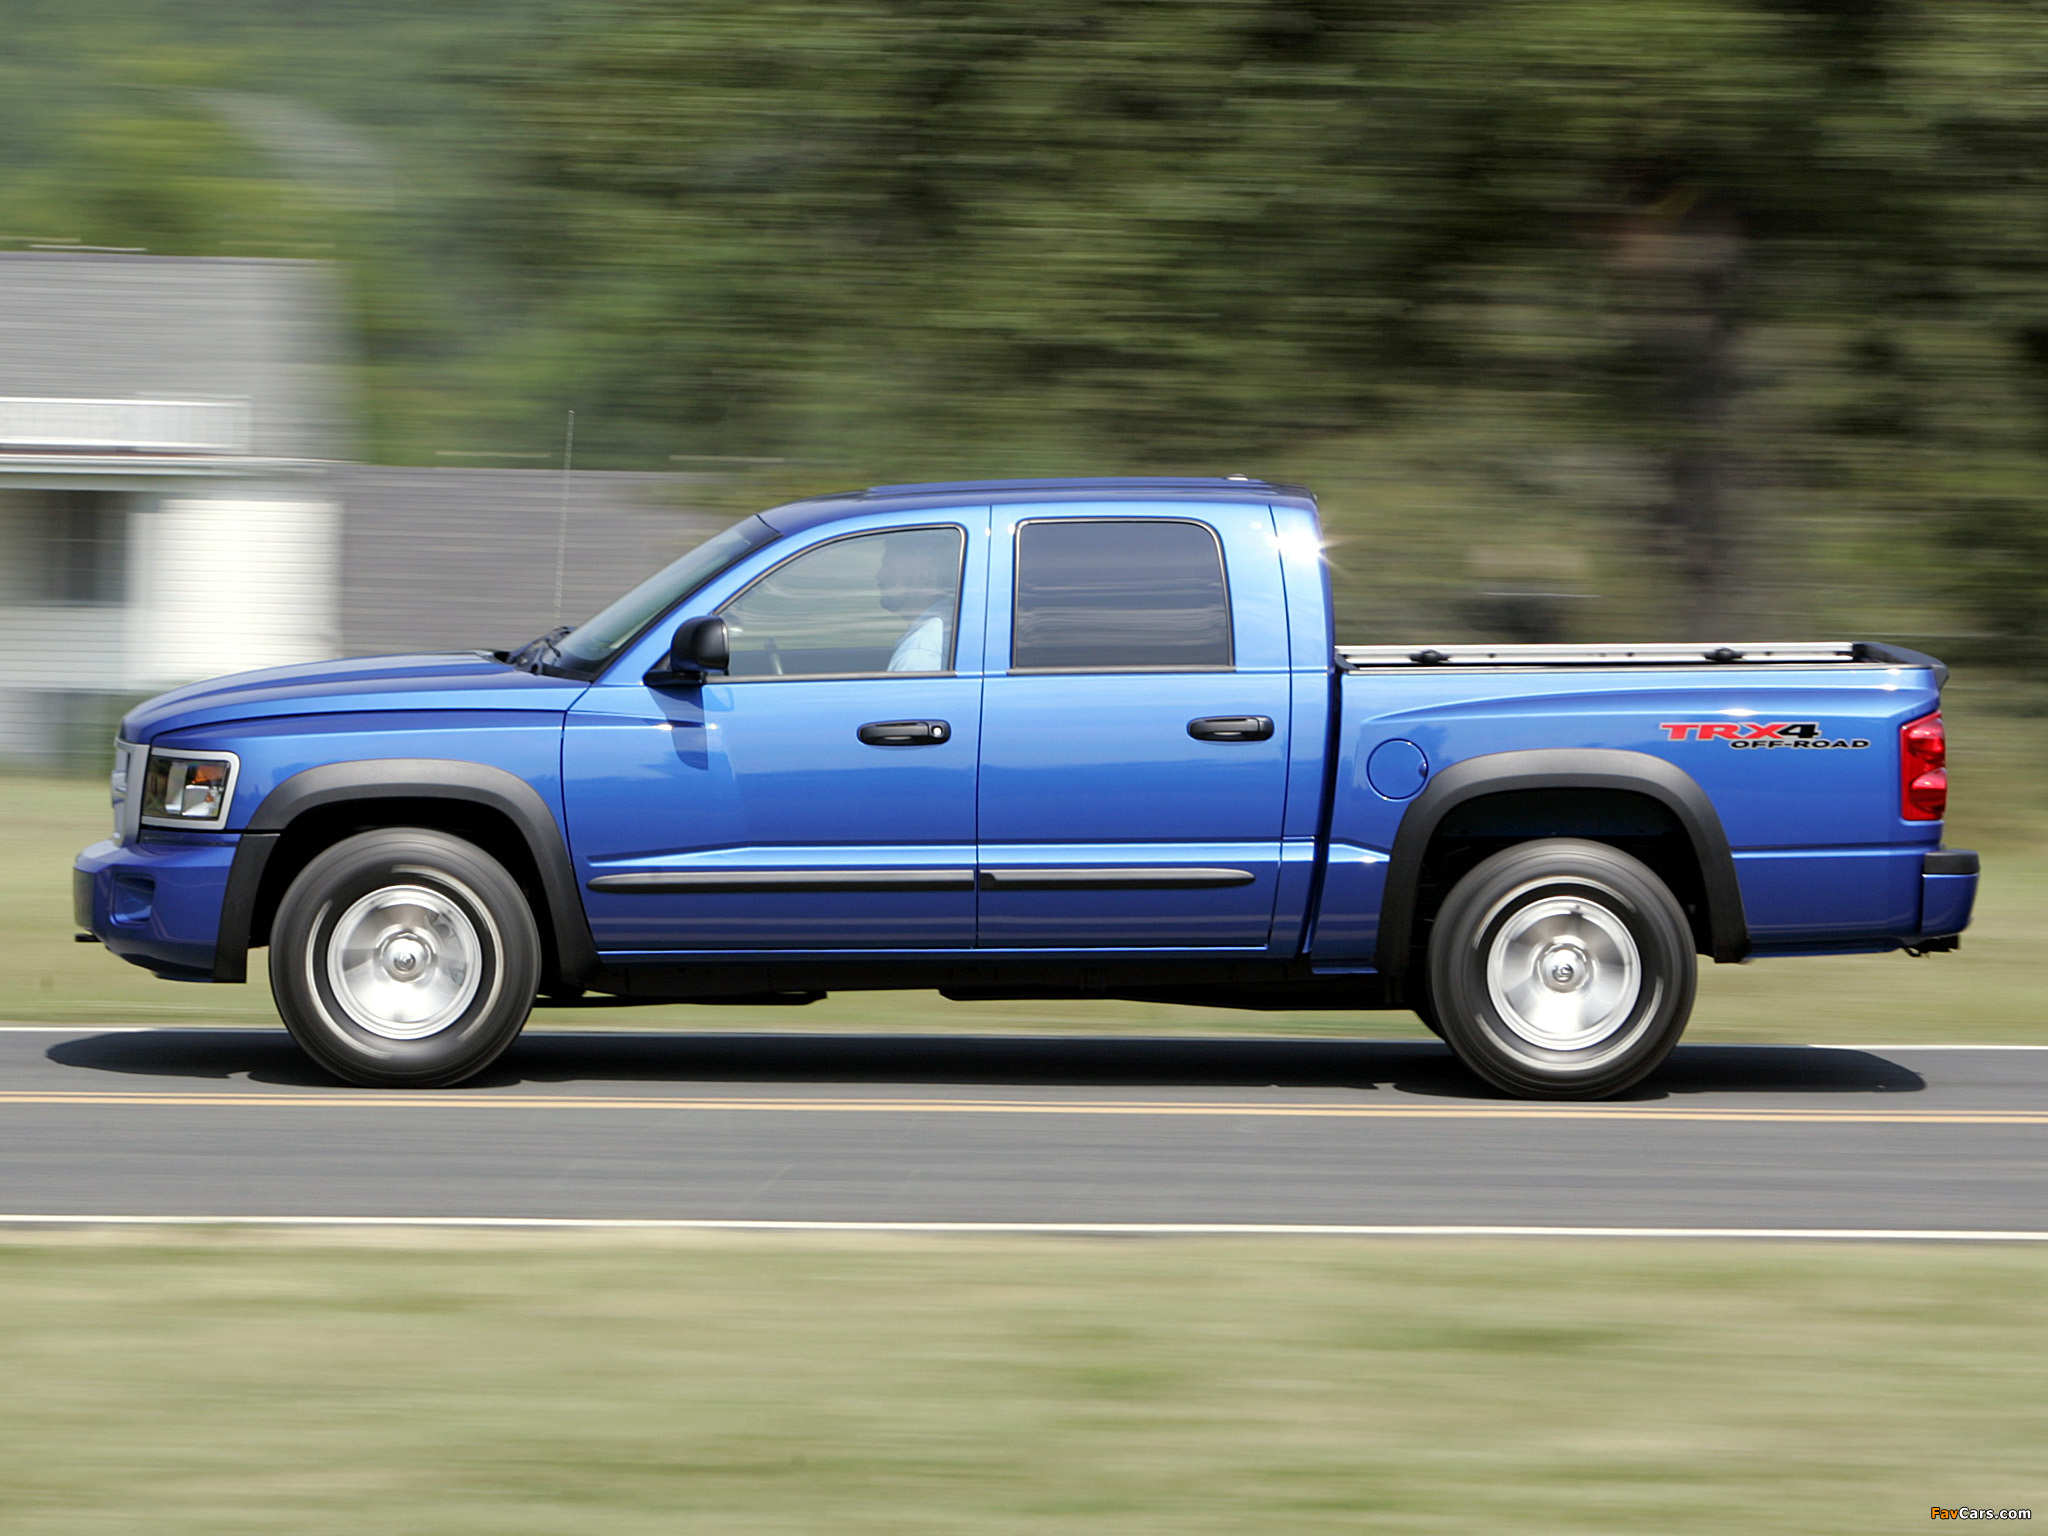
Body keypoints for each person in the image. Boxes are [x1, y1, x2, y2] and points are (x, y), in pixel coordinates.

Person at [878, 534, 957, 671]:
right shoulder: (946, 624)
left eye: (888, 566)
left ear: (922, 577)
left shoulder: (918, 653)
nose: (878, 575)